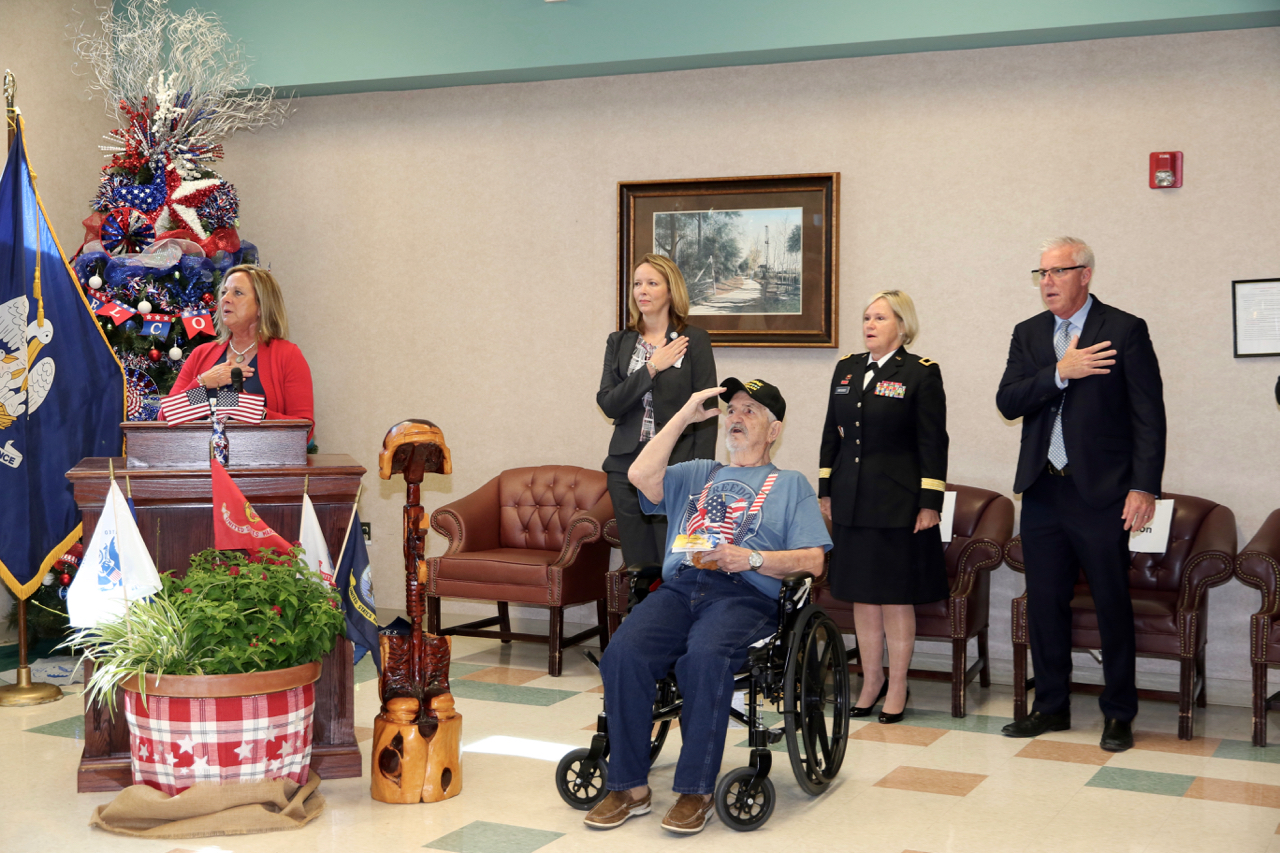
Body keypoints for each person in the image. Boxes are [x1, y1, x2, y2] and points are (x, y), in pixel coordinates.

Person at [587, 379, 830, 835]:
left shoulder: (790, 484)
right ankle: (629, 787)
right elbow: (639, 476)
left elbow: (814, 560)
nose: (736, 417)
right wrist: (683, 414)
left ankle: (695, 790)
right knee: (623, 654)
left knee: (703, 657)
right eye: (732, 409)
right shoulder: (699, 472)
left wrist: (752, 557)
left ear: (773, 430)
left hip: (745, 594)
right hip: (683, 586)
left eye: (750, 411)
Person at [996, 237, 1166, 753]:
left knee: (1112, 603)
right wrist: (1057, 374)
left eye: (1057, 272)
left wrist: (1144, 487)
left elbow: (1148, 415)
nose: (1046, 282)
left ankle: (1118, 713)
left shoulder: (1123, 329)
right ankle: (1051, 706)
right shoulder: (1028, 334)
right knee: (1046, 604)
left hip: (1104, 493)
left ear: (1085, 274)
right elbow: (1008, 400)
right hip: (1043, 489)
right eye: (1040, 273)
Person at [818, 290, 948, 724]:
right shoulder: (847, 369)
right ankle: (869, 681)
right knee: (862, 597)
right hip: (852, 499)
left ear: (901, 325)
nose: (869, 324)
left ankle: (897, 685)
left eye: (879, 318)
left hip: (898, 503)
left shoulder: (920, 373)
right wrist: (826, 489)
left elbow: (933, 443)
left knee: (894, 597)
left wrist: (930, 502)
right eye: (866, 317)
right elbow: (831, 437)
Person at [597, 253, 717, 569]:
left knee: (675, 565)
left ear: (671, 291)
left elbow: (705, 412)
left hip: (675, 470)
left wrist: (699, 476)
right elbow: (609, 404)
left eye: (652, 283)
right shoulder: (619, 341)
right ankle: (642, 618)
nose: (642, 291)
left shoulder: (695, 340)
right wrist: (652, 368)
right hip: (625, 467)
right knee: (638, 567)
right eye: (637, 284)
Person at [164, 265, 315, 441]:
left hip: (261, 465)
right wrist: (203, 383)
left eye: (237, 293)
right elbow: (165, 417)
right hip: (200, 464)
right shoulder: (201, 354)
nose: (225, 299)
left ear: (261, 306)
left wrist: (251, 410)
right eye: (224, 293)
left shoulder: (287, 355)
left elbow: (304, 430)